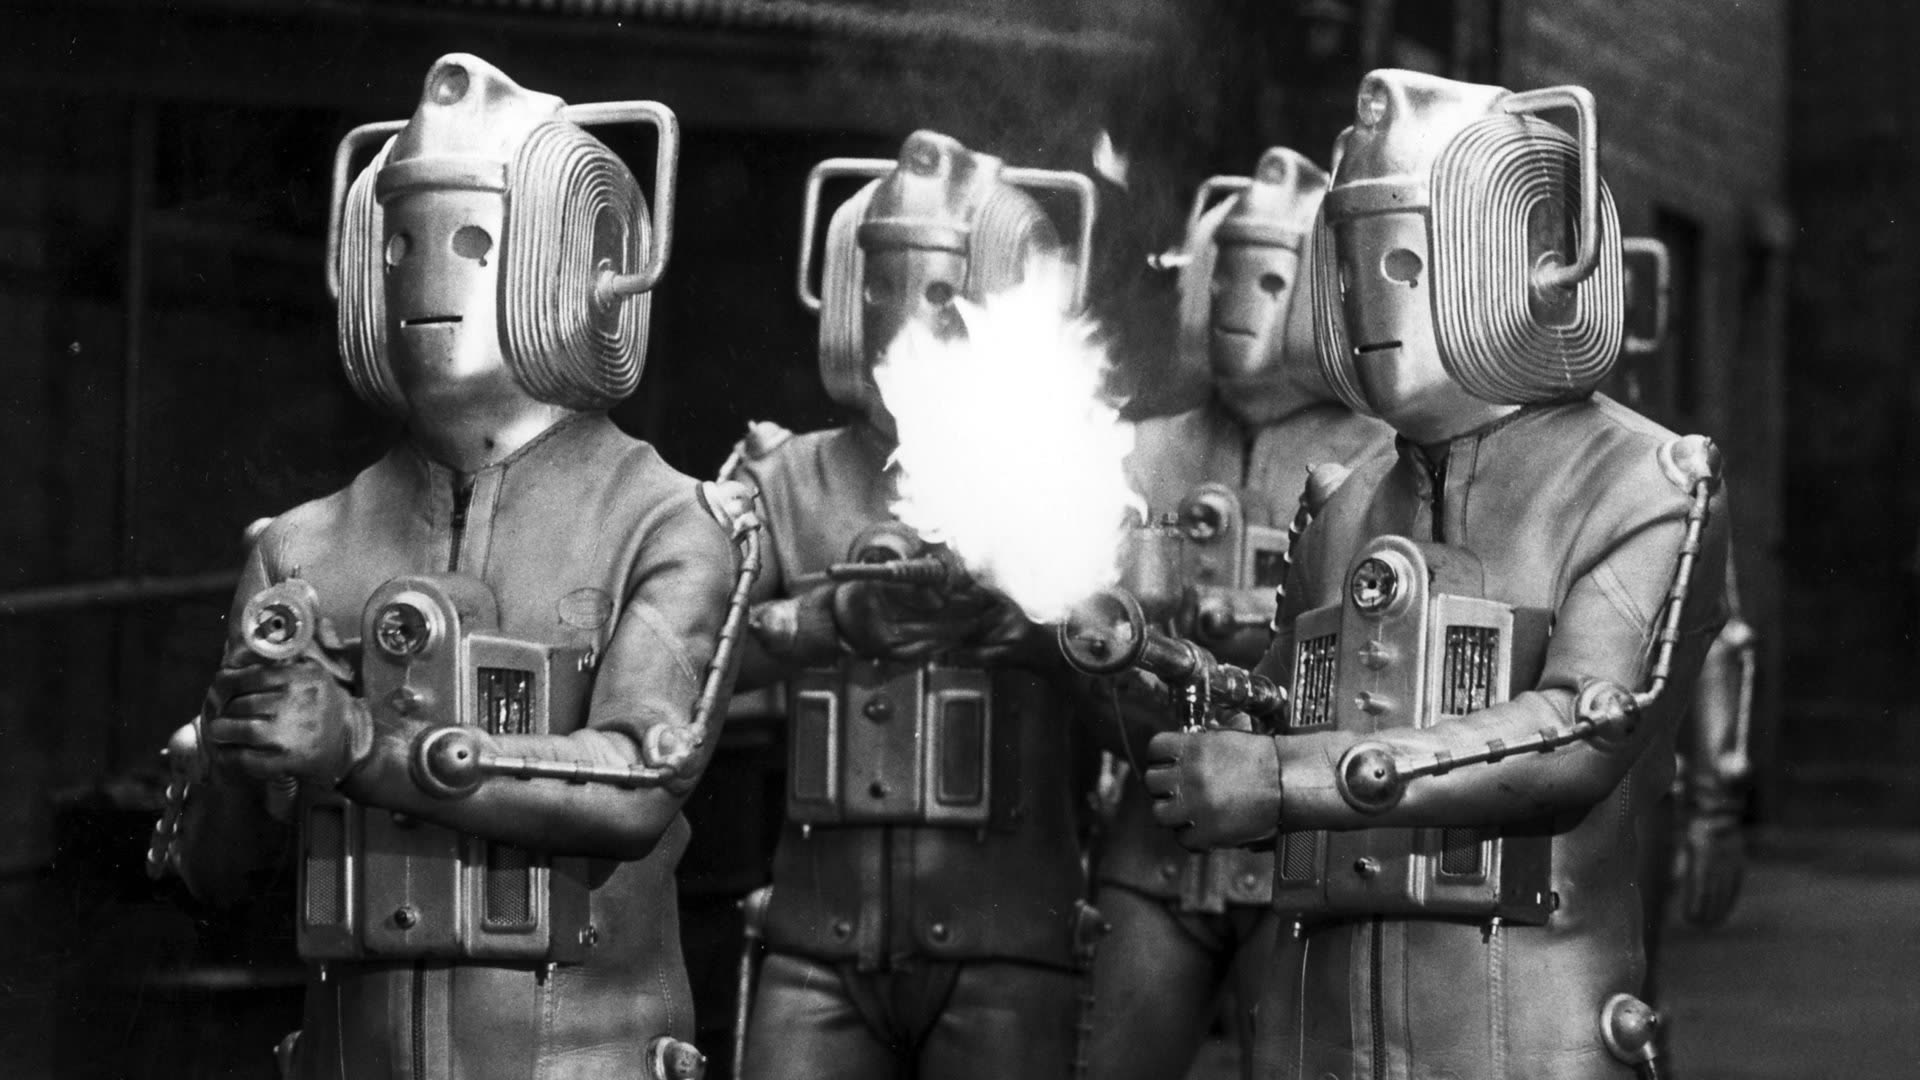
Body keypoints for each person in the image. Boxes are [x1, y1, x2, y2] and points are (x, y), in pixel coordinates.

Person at [152, 54, 737, 1080]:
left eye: (474, 239)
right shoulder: (297, 546)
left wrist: (363, 745)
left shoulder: (664, 521)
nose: (430, 276)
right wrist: (233, 755)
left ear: (581, 263)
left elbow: (640, 783)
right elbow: (218, 876)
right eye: (404, 242)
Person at [1141, 69, 1730, 1080]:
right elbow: (1272, 715)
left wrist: (1282, 781)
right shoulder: (1344, 497)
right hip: (1315, 1035)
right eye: (1357, 259)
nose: (1376, 296)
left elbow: (1580, 735)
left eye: (1409, 257)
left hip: (1528, 1037)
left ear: (1539, 266)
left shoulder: (1646, 481)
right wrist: (1144, 661)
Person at [732, 130, 1099, 1080]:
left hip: (1009, 951)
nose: (907, 317)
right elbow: (679, 680)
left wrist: (1046, 633)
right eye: (885, 284)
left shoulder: (1079, 478)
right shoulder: (786, 480)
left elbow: (1152, 709)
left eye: (939, 290)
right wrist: (820, 628)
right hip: (815, 945)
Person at [1081, 146, 1390, 1080]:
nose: (1234, 301)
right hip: (1154, 848)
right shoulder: (1132, 451)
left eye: (1269, 278)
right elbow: (1084, 670)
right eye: (1224, 273)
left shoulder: (1385, 459)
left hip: (1309, 854)